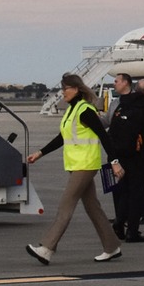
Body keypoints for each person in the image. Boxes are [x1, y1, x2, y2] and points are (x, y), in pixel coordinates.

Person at [24, 74, 125, 264]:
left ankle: (46, 248)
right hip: (76, 164)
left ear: (76, 89)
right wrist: (40, 153)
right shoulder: (73, 110)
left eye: (66, 88)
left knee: (66, 206)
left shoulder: (85, 110)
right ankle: (112, 247)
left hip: (85, 165)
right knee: (92, 207)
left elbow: (104, 136)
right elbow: (63, 137)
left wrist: (114, 161)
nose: (63, 92)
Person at [104, 73, 144, 242]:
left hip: (121, 154)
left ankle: (119, 222)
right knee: (137, 192)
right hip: (141, 157)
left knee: (124, 191)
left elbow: (112, 132)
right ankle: (132, 231)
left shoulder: (121, 105)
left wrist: (113, 157)